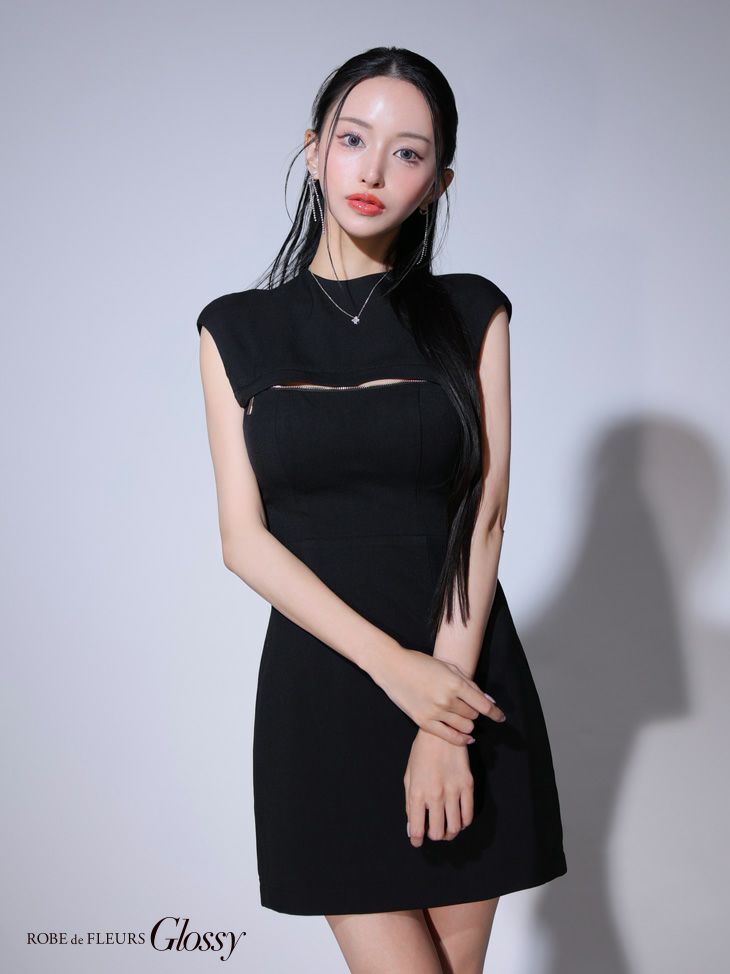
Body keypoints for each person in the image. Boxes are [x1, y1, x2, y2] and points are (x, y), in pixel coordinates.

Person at [196, 46, 567, 974]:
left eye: (408, 153)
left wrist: (441, 720)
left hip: (463, 680)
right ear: (314, 148)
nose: (373, 170)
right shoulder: (234, 328)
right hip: (326, 690)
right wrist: (393, 670)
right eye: (354, 139)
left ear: (438, 182)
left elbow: (484, 516)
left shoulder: (472, 312)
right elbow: (244, 541)